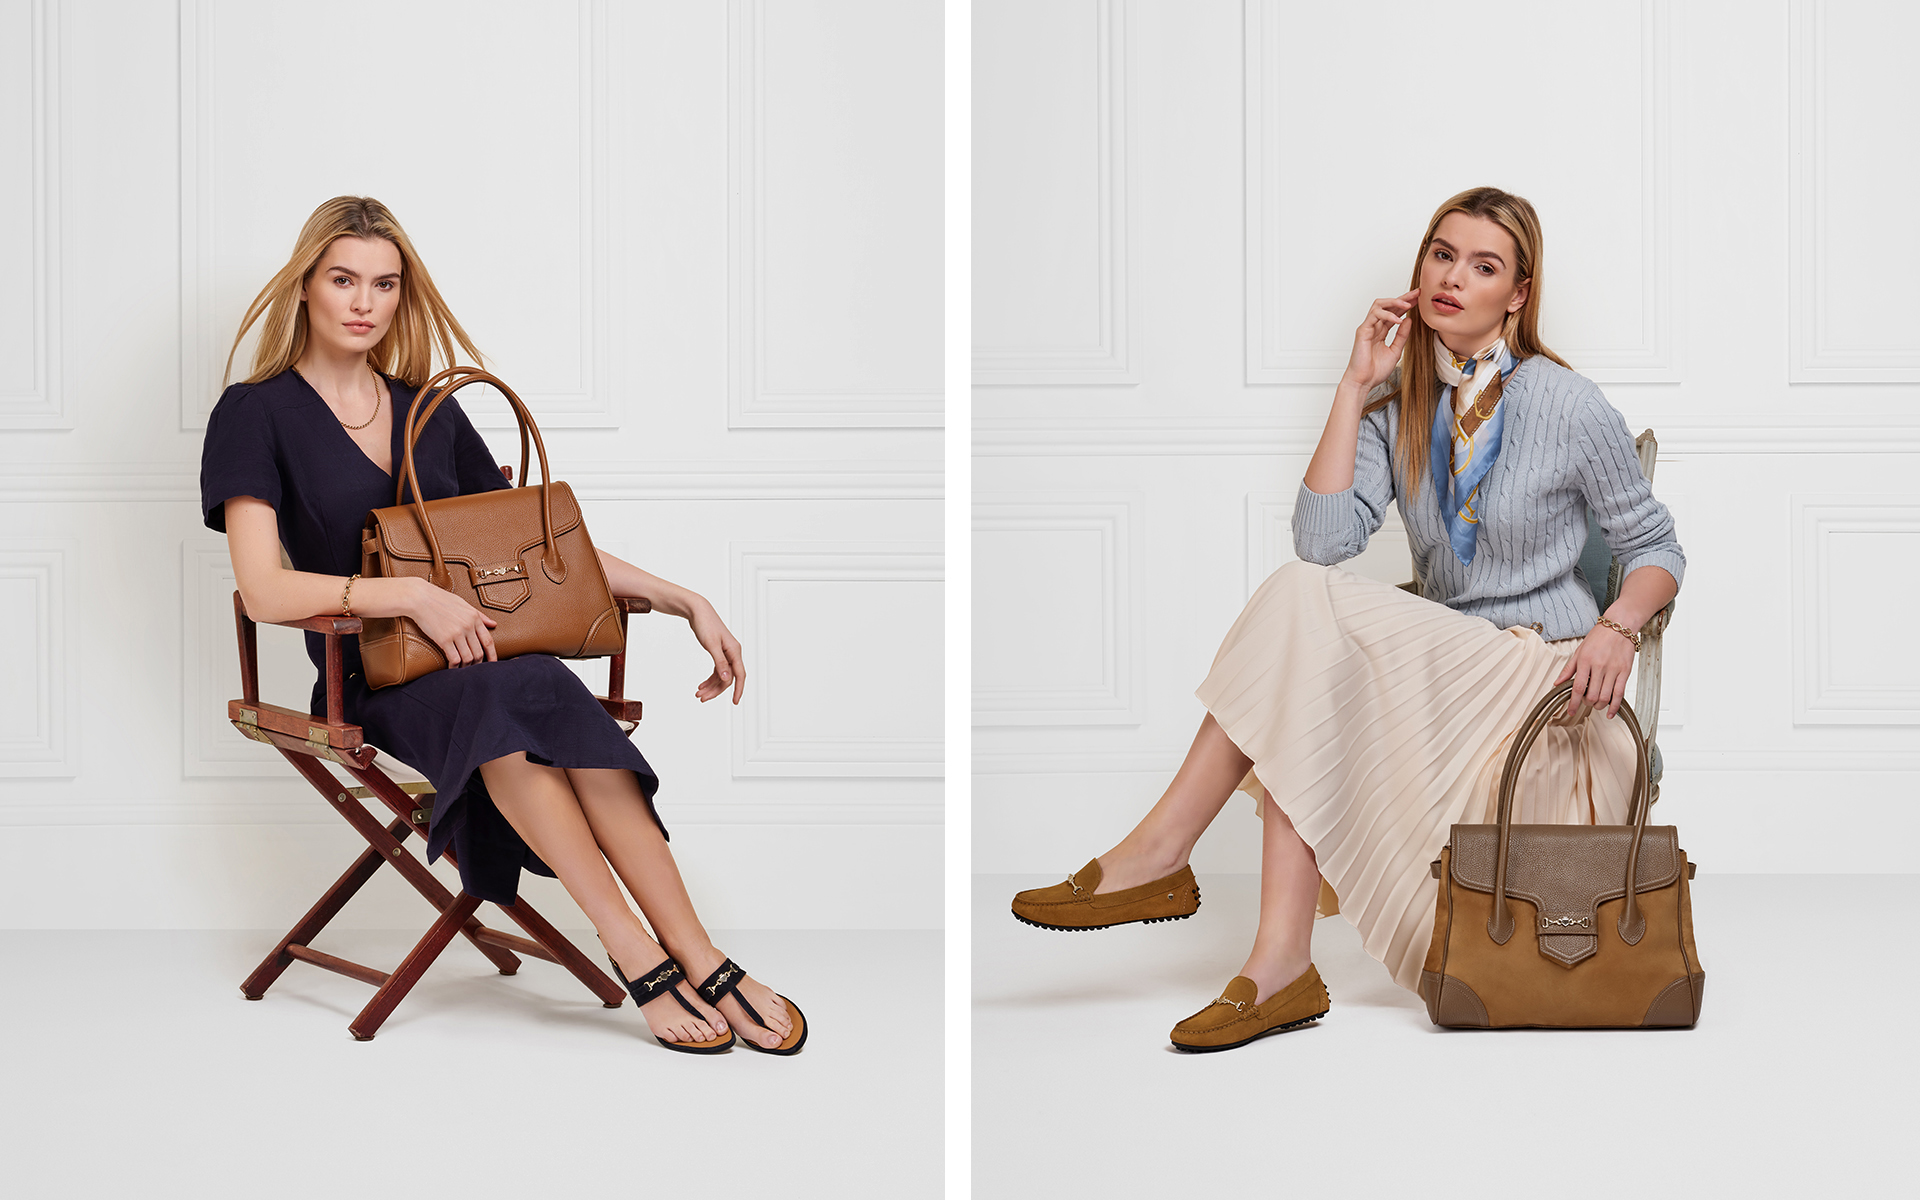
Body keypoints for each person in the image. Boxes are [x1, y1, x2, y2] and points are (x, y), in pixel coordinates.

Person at [1010, 187, 1683, 1052]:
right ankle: (1278, 966)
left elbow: (1658, 546)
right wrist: (1355, 382)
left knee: (1302, 620)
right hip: (1452, 671)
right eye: (1441, 255)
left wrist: (1617, 626)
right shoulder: (1398, 407)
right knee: (1306, 654)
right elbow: (1324, 541)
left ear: (1517, 294)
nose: (1453, 278)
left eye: (1484, 266)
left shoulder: (1566, 403)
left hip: (1543, 683)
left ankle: (1165, 857)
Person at [200, 196, 804, 1054]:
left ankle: (698, 955)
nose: (364, 302)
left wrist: (685, 599)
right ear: (305, 288)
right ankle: (635, 951)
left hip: (486, 665)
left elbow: (539, 550)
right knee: (515, 697)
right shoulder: (254, 412)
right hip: (371, 680)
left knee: (529, 687)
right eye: (343, 280)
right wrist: (409, 597)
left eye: (384, 284)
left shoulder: (430, 411)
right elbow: (264, 590)